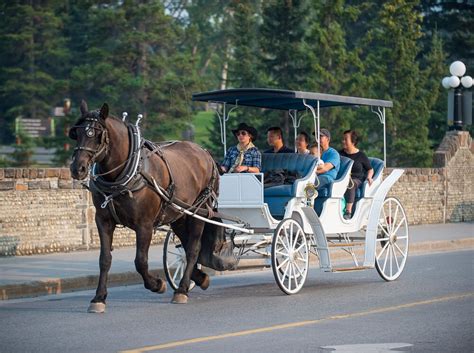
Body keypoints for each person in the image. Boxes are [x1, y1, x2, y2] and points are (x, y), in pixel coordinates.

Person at [340, 129, 374, 220]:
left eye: (345, 139)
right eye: (343, 139)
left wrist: (369, 177)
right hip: (342, 178)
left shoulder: (361, 155)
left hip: (356, 180)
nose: (343, 141)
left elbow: (370, 169)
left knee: (350, 183)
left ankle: (348, 211)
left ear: (353, 142)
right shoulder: (340, 154)